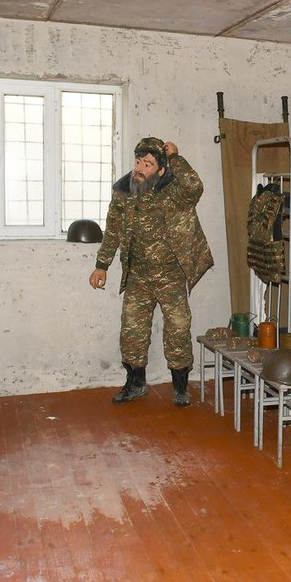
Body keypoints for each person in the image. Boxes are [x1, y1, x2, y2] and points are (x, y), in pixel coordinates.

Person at [88, 137, 214, 406]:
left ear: (161, 169)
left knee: (179, 328)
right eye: (138, 162)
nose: (140, 168)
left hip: (171, 275)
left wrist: (176, 158)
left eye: (148, 164)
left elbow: (196, 186)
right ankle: (135, 384)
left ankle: (180, 386)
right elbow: (112, 229)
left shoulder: (175, 191)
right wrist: (102, 265)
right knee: (132, 331)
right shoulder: (124, 191)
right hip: (138, 276)